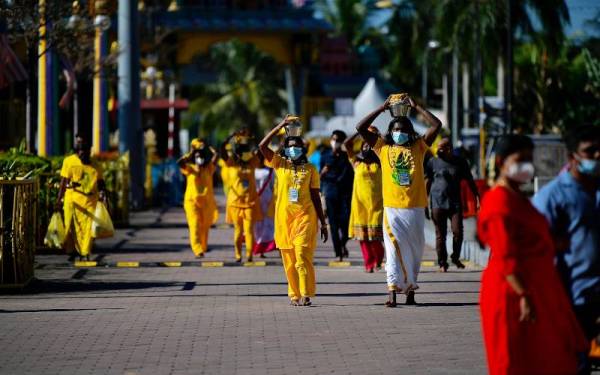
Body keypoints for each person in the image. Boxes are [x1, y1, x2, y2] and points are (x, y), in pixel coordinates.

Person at [477, 134, 587, 375]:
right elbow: (506, 254)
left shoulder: (519, 198)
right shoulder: (498, 202)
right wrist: (524, 295)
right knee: (515, 359)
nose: (527, 164)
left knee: (550, 357)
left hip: (539, 287)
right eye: (520, 159)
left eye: (529, 158)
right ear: (501, 162)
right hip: (512, 293)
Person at [356, 95, 441, 306]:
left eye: (403, 130)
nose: (399, 133)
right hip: (392, 209)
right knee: (393, 250)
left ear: (410, 132)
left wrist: (416, 107)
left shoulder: (419, 147)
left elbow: (437, 125)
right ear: (390, 133)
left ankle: (410, 292)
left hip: (415, 208)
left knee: (414, 251)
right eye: (395, 130)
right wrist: (382, 108)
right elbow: (360, 127)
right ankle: (392, 292)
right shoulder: (382, 148)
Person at [533, 125, 600, 372]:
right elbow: (536, 250)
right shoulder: (553, 197)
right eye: (590, 151)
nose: (597, 157)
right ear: (573, 157)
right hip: (571, 299)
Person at [259, 116, 328, 306]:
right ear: (285, 148)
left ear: (303, 149)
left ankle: (306, 294)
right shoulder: (280, 164)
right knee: (289, 262)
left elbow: (315, 196)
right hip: (284, 220)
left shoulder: (311, 169)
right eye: (289, 146)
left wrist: (323, 223)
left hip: (306, 217)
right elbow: (262, 147)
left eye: (297, 146)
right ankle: (294, 295)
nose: (293, 149)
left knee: (302, 256)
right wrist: (280, 126)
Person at [425, 135, 480, 271]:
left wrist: (477, 197)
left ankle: (455, 257)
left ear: (449, 149)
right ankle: (442, 263)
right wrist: (425, 203)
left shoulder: (460, 162)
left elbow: (470, 181)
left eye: (441, 148)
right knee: (440, 235)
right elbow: (427, 182)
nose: (438, 151)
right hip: (437, 203)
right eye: (437, 148)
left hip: (455, 203)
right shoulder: (433, 162)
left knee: (458, 232)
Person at [55, 135, 107, 261]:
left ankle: (85, 252)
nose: (83, 154)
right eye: (81, 152)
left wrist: (104, 196)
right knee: (70, 227)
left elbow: (101, 183)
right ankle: (72, 250)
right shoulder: (69, 161)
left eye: (86, 152)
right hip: (72, 201)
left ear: (89, 152)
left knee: (88, 228)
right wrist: (58, 199)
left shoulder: (96, 165)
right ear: (77, 152)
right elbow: (64, 181)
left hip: (89, 202)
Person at [344, 129, 384, 273]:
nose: (367, 147)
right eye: (364, 145)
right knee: (363, 238)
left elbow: (384, 145)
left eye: (370, 145)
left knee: (374, 237)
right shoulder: (356, 162)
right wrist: (359, 132)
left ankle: (378, 260)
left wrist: (376, 136)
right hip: (359, 205)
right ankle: (369, 264)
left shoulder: (381, 162)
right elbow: (347, 144)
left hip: (377, 205)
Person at [220, 131, 262, 263]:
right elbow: (222, 152)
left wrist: (253, 140)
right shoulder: (232, 162)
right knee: (238, 231)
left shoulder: (253, 161)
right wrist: (229, 138)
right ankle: (238, 254)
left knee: (249, 230)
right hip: (235, 202)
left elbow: (261, 150)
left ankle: (249, 255)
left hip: (250, 202)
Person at [178, 138, 219, 258]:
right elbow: (180, 162)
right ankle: (197, 249)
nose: (198, 156)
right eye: (196, 155)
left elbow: (216, 156)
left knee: (205, 226)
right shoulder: (189, 168)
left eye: (200, 154)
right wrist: (191, 152)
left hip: (206, 203)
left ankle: (203, 247)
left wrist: (208, 147)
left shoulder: (208, 168)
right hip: (191, 203)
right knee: (194, 225)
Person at [320, 130, 354, 261]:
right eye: (334, 139)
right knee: (333, 225)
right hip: (330, 193)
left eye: (338, 140)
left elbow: (350, 175)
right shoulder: (325, 155)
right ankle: (338, 252)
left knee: (346, 225)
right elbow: (320, 176)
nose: (335, 142)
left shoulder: (347, 156)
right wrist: (322, 173)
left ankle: (342, 243)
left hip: (345, 194)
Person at [253, 153, 276, 257]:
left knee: (268, 224)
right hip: (254, 200)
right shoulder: (250, 171)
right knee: (257, 225)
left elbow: (272, 185)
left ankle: (265, 247)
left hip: (267, 200)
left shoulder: (270, 170)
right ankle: (258, 248)